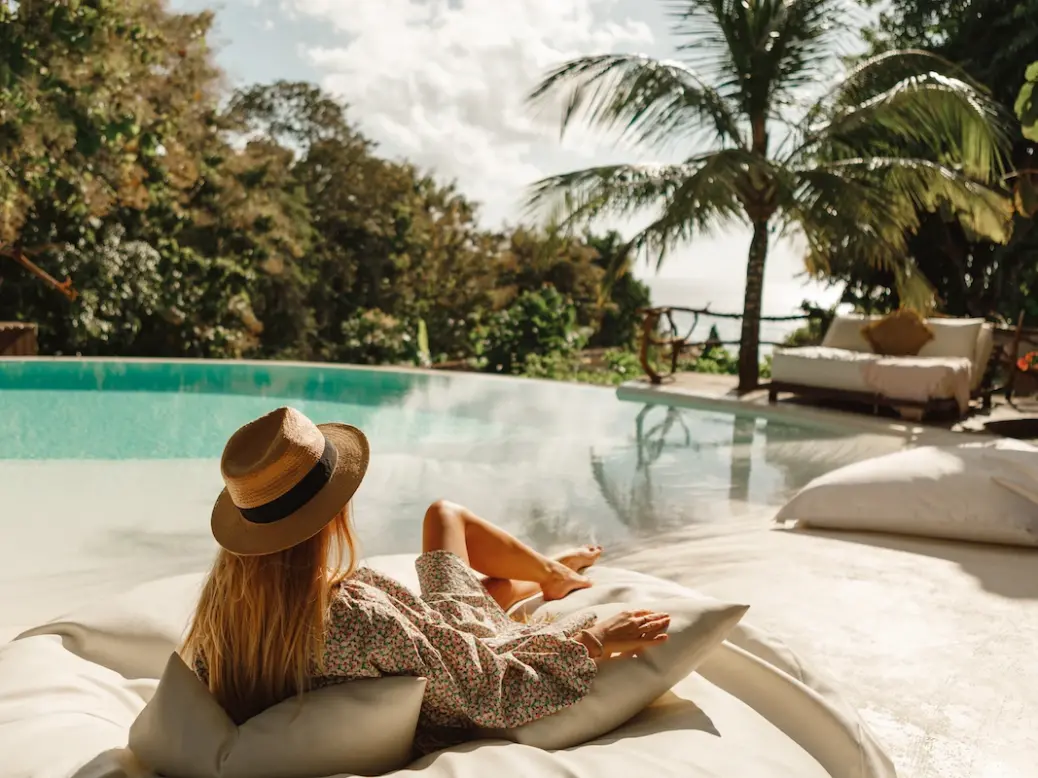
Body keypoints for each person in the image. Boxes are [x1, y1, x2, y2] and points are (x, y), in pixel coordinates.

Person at [181, 406, 671, 753]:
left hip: (433, 647)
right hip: (464, 664)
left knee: (472, 581)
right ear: (331, 515)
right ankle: (555, 574)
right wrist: (591, 641)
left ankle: (547, 574)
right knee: (446, 516)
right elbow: (493, 690)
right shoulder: (356, 616)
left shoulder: (222, 615)